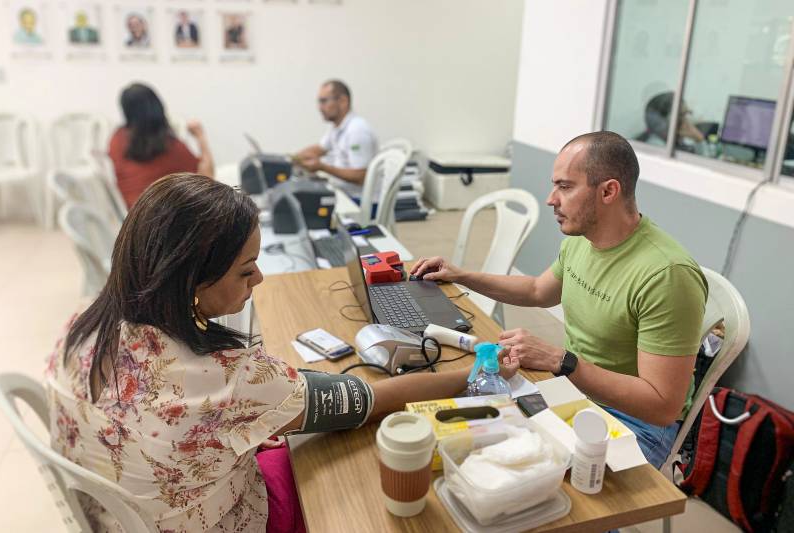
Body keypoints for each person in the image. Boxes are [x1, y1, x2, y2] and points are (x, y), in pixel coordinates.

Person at [45, 173, 519, 531]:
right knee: (347, 485)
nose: (260, 278)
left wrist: (233, 433)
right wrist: (478, 368)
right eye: (246, 270)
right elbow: (370, 400)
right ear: (192, 282)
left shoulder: (80, 326)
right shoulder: (226, 378)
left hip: (119, 515)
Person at [411, 131, 707, 469]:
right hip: (574, 391)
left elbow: (662, 405)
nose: (551, 199)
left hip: (637, 422)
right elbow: (538, 290)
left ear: (608, 191)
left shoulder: (668, 275)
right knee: (470, 442)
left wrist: (561, 361)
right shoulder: (582, 239)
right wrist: (461, 275)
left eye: (565, 187)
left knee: (526, 479)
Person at [108, 83, 214, 208]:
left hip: (135, 214)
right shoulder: (171, 147)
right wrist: (200, 136)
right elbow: (207, 180)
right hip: (174, 215)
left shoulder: (117, 140)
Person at [294, 80, 379, 199]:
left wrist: (322, 167)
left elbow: (360, 176)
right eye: (319, 102)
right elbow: (319, 149)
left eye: (324, 101)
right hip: (344, 195)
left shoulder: (357, 131)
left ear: (343, 101)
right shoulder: (337, 127)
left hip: (358, 201)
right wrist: (292, 159)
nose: (320, 108)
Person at [636, 91, 705, 151]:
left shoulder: (680, 139)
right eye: (681, 115)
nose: (686, 119)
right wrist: (699, 138)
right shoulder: (657, 145)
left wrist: (698, 138)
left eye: (687, 113)